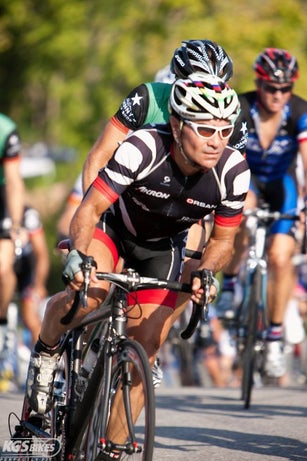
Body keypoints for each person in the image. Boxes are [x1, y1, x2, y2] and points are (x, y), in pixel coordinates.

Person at [25, 74, 250, 461]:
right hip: (114, 230)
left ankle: (112, 448)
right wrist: (79, 255)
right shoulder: (144, 147)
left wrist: (204, 272)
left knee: (145, 349)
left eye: (225, 129)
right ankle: (47, 351)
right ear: (178, 125)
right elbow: (90, 209)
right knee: (88, 296)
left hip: (163, 247)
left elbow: (223, 241)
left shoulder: (232, 171)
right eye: (207, 129)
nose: (218, 139)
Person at [216, 48, 307, 379]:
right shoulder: (240, 106)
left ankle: (273, 336)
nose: (278, 95)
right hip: (246, 177)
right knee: (241, 211)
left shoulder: (300, 111)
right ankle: (228, 284)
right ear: (258, 83)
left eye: (285, 89)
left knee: (281, 257)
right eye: (271, 88)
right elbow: (225, 152)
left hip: (283, 186)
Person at [0, 112, 25, 380]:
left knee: (2, 267)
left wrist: (15, 226)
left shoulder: (5, 128)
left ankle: (2, 321)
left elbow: (15, 182)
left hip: (2, 197)